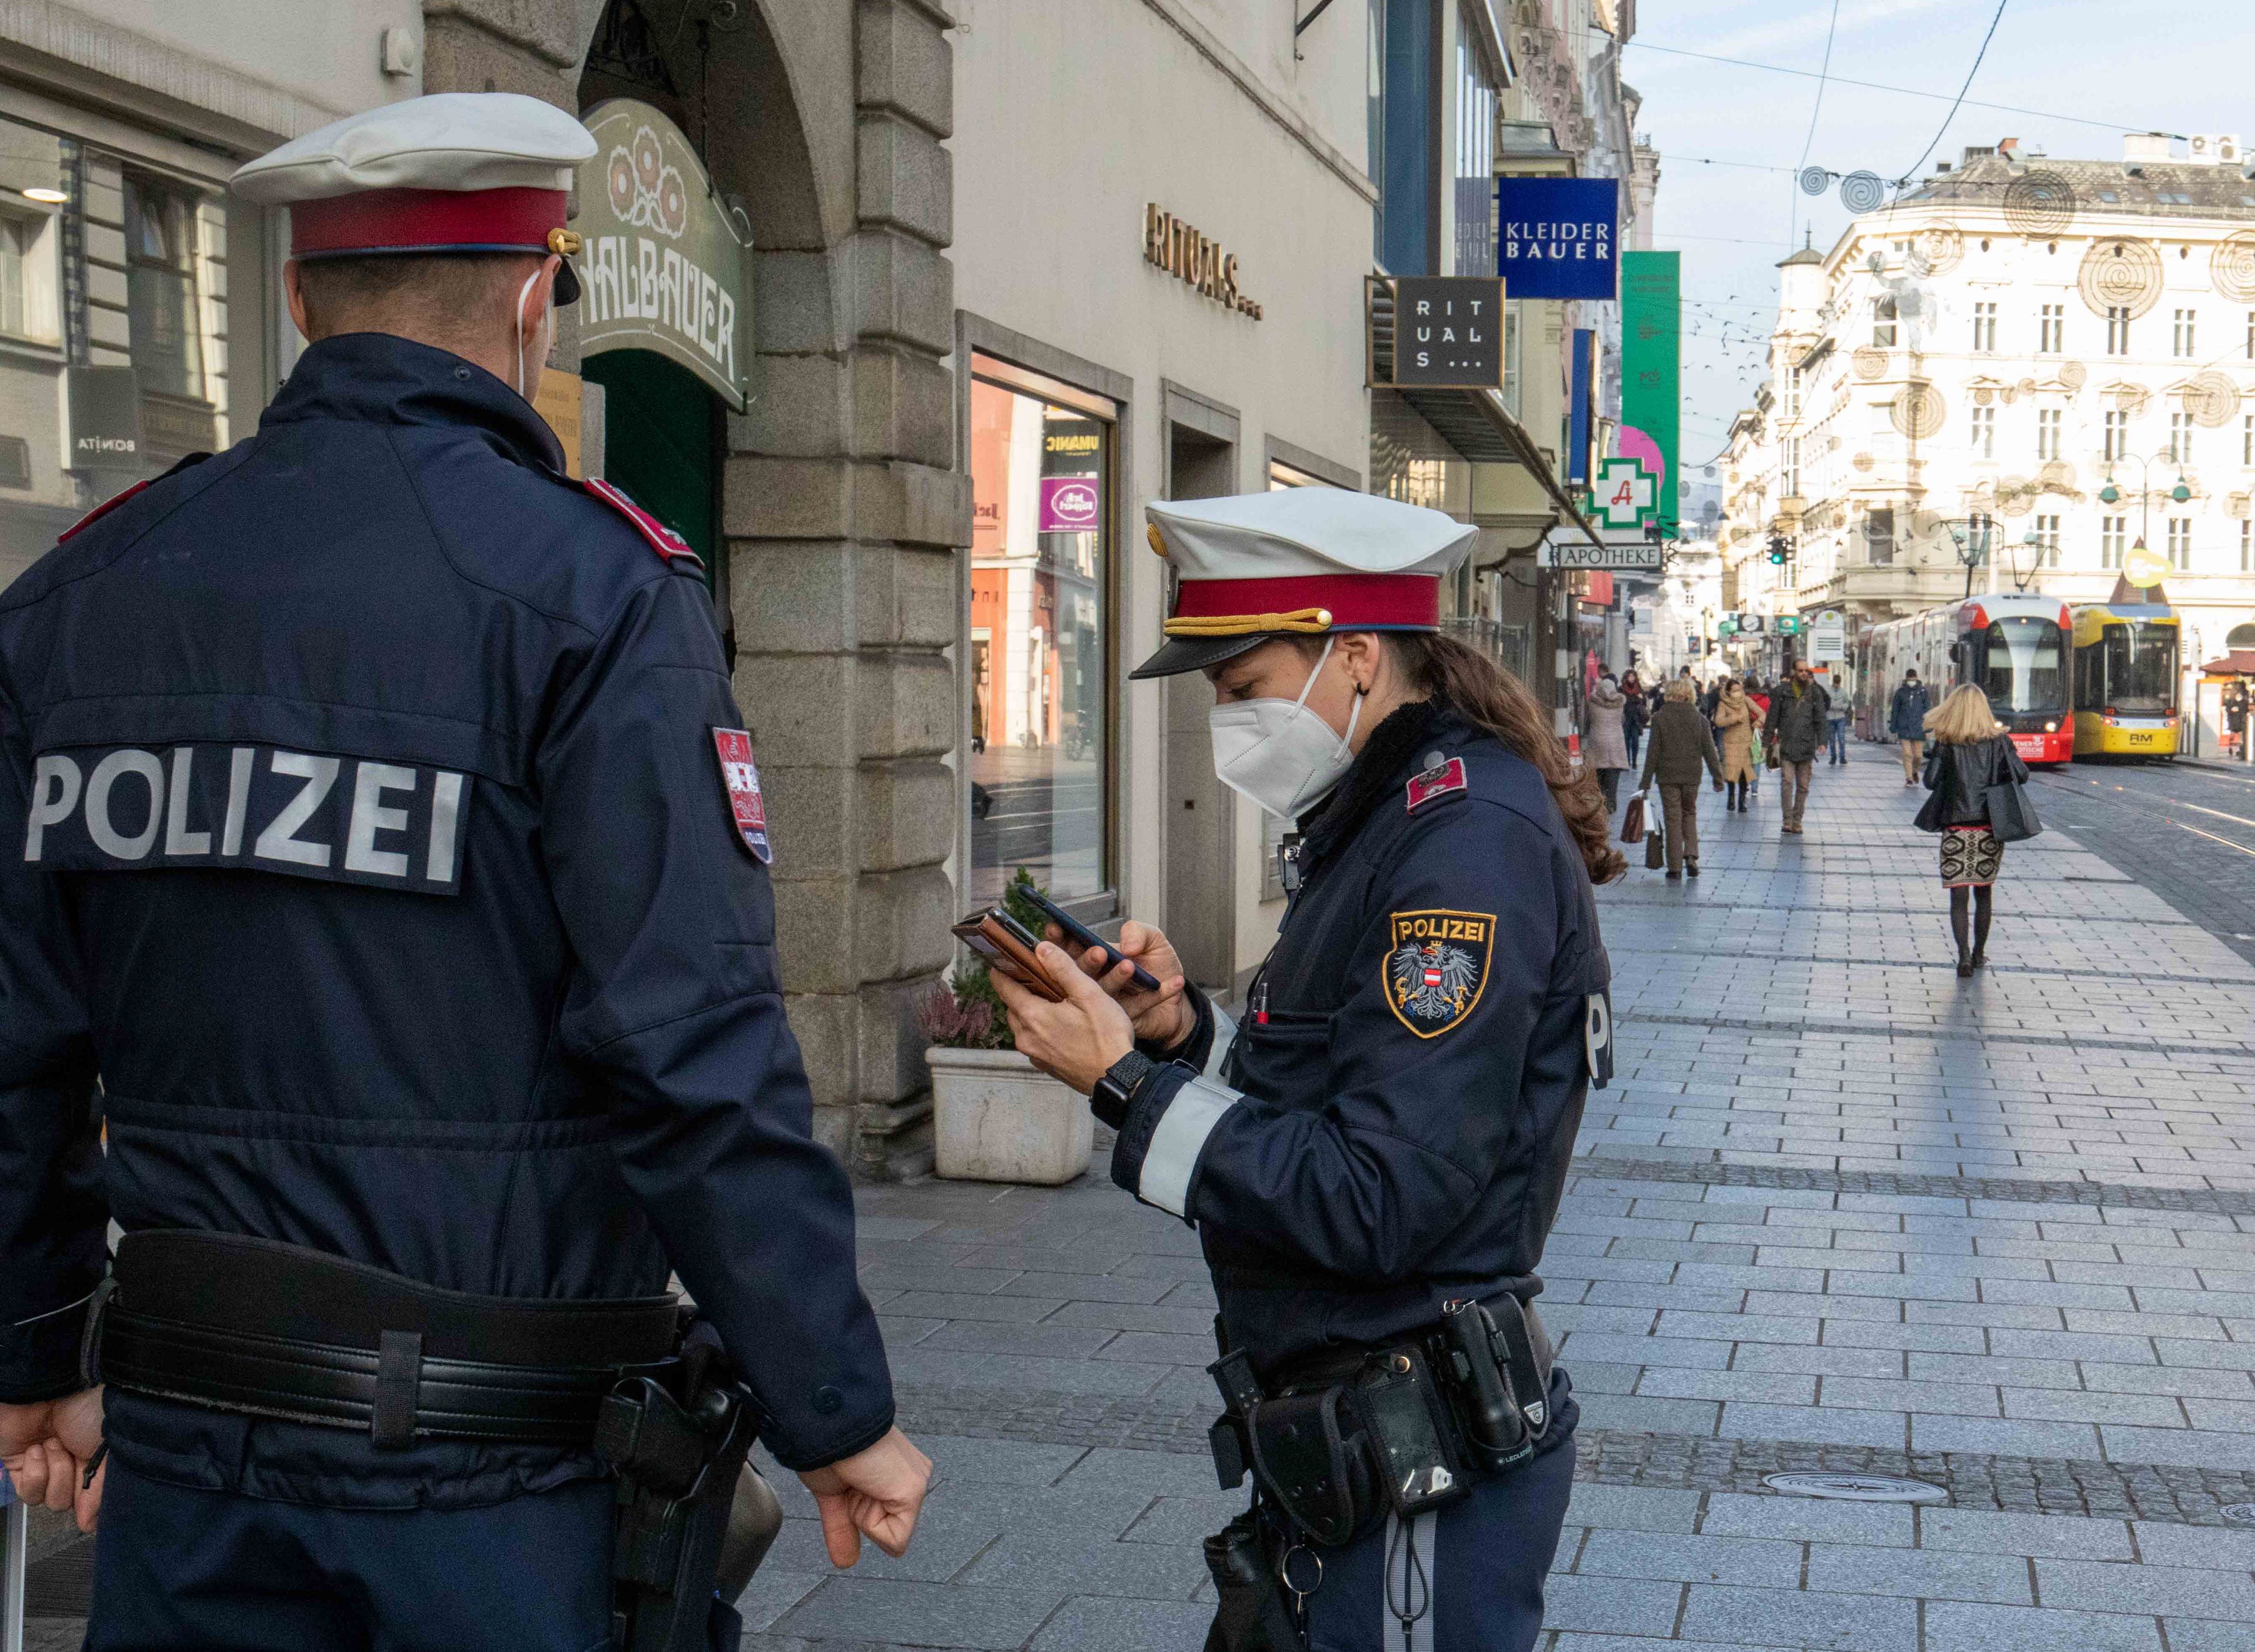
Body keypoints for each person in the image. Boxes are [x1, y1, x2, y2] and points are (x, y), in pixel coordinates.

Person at [0, 95, 930, 1650]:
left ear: (300, 303)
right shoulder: (595, 592)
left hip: (188, 1456)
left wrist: (36, 1346)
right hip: (498, 1476)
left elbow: (18, 1043)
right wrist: (832, 1400)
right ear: (527, 300)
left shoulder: (81, 592)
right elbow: (690, 1046)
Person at [986, 488, 1617, 1652]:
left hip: (1416, 1458)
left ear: (1358, 659)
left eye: (1244, 691)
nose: (1229, 723)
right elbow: (1341, 1087)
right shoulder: (1388, 818)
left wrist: (1126, 1088)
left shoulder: (1461, 844)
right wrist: (1179, 1037)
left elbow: (1380, 1194)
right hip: (1352, 1443)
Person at [1916, 684, 2030, 976]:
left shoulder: (1947, 742)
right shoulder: (1999, 742)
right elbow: (2022, 774)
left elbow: (1929, 782)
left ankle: (1963, 955)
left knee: (1958, 896)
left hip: (1956, 826)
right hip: (1989, 828)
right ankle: (1980, 954)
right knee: (1984, 892)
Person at [1638, 678, 1726, 878]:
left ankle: (1675, 868)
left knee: (1673, 819)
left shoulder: (1660, 718)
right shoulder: (1700, 719)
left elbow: (1653, 753)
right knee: (1690, 813)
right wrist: (1718, 778)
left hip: (1667, 776)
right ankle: (1692, 855)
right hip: (1692, 775)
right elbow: (1710, 752)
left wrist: (1645, 782)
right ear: (1690, 694)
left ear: (1669, 694)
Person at [1763, 660, 1832, 836]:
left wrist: (1823, 741)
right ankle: (1787, 820)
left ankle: (1798, 820)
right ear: (1794, 671)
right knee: (1787, 783)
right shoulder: (1782, 692)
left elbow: (1821, 719)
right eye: (1800, 671)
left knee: (1803, 786)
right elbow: (1772, 718)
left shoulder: (1815, 692)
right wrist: (1766, 743)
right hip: (1786, 745)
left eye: (1806, 671)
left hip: (1807, 746)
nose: (1804, 674)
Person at [1713, 677, 1760, 812]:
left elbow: (1762, 714)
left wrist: (1759, 722)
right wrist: (1733, 719)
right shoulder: (1724, 704)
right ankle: (1731, 798)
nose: (1738, 693)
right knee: (1732, 771)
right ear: (1728, 692)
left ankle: (1742, 801)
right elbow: (1719, 721)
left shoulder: (1746, 701)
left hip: (1746, 740)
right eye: (1734, 691)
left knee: (1745, 772)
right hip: (1731, 741)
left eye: (1739, 690)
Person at [1585, 672, 1631, 812]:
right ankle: (1611, 803)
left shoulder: (1592, 703)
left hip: (1597, 742)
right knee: (1613, 773)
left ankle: (1599, 803)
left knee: (1597, 775)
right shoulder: (1619, 704)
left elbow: (1588, 720)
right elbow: (1622, 720)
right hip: (1615, 743)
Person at [1890, 667, 1934, 787]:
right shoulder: (1900, 692)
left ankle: (1915, 772)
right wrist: (1893, 726)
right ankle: (1909, 778)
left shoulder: (1923, 692)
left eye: (1913, 679)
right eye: (1910, 679)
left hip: (1919, 728)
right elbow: (1895, 710)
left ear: (1916, 678)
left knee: (1919, 756)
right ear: (1906, 679)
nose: (1911, 681)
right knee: (1907, 755)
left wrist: (1928, 726)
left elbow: (1928, 709)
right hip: (1904, 728)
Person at [1620, 670, 1648, 768]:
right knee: (1626, 741)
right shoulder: (1622, 689)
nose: (1632, 678)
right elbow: (1622, 702)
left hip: (1636, 719)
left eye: (1633, 676)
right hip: (1626, 718)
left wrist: (1638, 699)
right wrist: (1637, 698)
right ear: (1626, 678)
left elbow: (1644, 702)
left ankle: (1635, 762)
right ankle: (1627, 762)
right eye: (1630, 676)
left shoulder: (1639, 689)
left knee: (1635, 741)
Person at [1825, 676, 1850, 765]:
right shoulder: (1828, 691)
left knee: (1841, 738)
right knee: (1831, 739)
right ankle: (1833, 757)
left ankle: (1842, 757)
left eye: (1838, 683)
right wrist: (1828, 707)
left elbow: (1847, 702)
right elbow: (1825, 702)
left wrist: (1843, 708)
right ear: (1833, 682)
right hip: (1830, 717)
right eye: (1835, 683)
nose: (1836, 685)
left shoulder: (1844, 692)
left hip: (1840, 717)